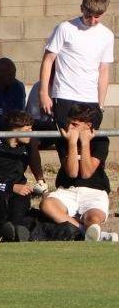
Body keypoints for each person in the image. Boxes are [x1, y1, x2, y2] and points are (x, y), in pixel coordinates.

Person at [35, 0, 112, 166]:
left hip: (90, 98)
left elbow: (104, 70)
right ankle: (68, 177)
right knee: (67, 141)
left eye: (97, 17)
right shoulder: (65, 28)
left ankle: (88, 178)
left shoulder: (106, 35)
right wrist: (44, 93)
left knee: (88, 143)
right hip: (65, 95)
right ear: (82, 9)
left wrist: (101, 104)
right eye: (88, 16)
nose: (92, 21)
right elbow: (48, 60)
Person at [38, 103, 110, 241]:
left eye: (75, 124)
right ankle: (88, 233)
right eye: (69, 123)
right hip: (68, 190)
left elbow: (86, 173)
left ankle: (91, 231)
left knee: (93, 219)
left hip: (94, 191)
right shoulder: (64, 140)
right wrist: (72, 143)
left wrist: (85, 143)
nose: (70, 127)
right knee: (47, 205)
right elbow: (72, 172)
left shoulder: (101, 140)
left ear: (88, 126)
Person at [0, 110, 38, 242]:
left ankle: (15, 231)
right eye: (27, 130)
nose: (32, 133)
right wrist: (10, 187)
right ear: (14, 129)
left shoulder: (26, 148)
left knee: (21, 203)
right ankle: (7, 230)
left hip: (17, 190)